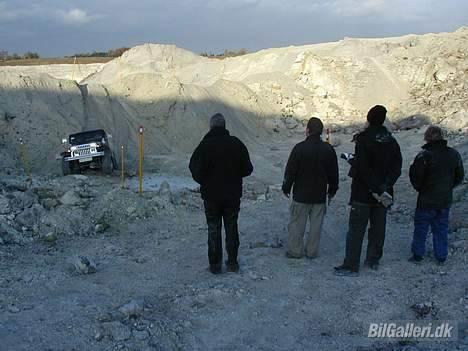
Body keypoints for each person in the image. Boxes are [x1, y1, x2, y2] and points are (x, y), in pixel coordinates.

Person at [334, 105, 402, 276]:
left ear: (369, 118)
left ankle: (351, 265)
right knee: (378, 229)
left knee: (356, 229)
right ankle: (373, 260)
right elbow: (397, 167)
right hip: (384, 195)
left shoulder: (363, 139)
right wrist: (385, 186)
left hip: (363, 193)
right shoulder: (391, 141)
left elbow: (363, 168)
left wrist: (375, 187)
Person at [189, 113, 253, 274]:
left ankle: (215, 265)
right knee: (232, 227)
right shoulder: (236, 144)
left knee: (213, 229)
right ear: (224, 126)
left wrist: (205, 182)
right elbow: (248, 168)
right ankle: (232, 263)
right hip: (232, 196)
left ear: (211, 127)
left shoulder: (204, 145)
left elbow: (194, 168)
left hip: (211, 197)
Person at [282, 117, 339, 259]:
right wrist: (332, 190)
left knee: (297, 225)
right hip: (319, 195)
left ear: (307, 130)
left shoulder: (299, 148)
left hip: (301, 194)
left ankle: (295, 251)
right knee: (316, 226)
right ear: (320, 132)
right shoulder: (328, 149)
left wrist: (286, 187)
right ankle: (311, 251)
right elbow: (334, 173)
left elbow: (290, 171)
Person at [408, 125, 464, 265]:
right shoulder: (453, 154)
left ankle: (418, 254)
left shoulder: (424, 156)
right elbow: (459, 176)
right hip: (444, 199)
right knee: (441, 228)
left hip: (426, 199)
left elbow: (415, 176)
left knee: (421, 228)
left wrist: (420, 188)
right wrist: (448, 187)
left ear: (427, 137)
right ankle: (441, 255)